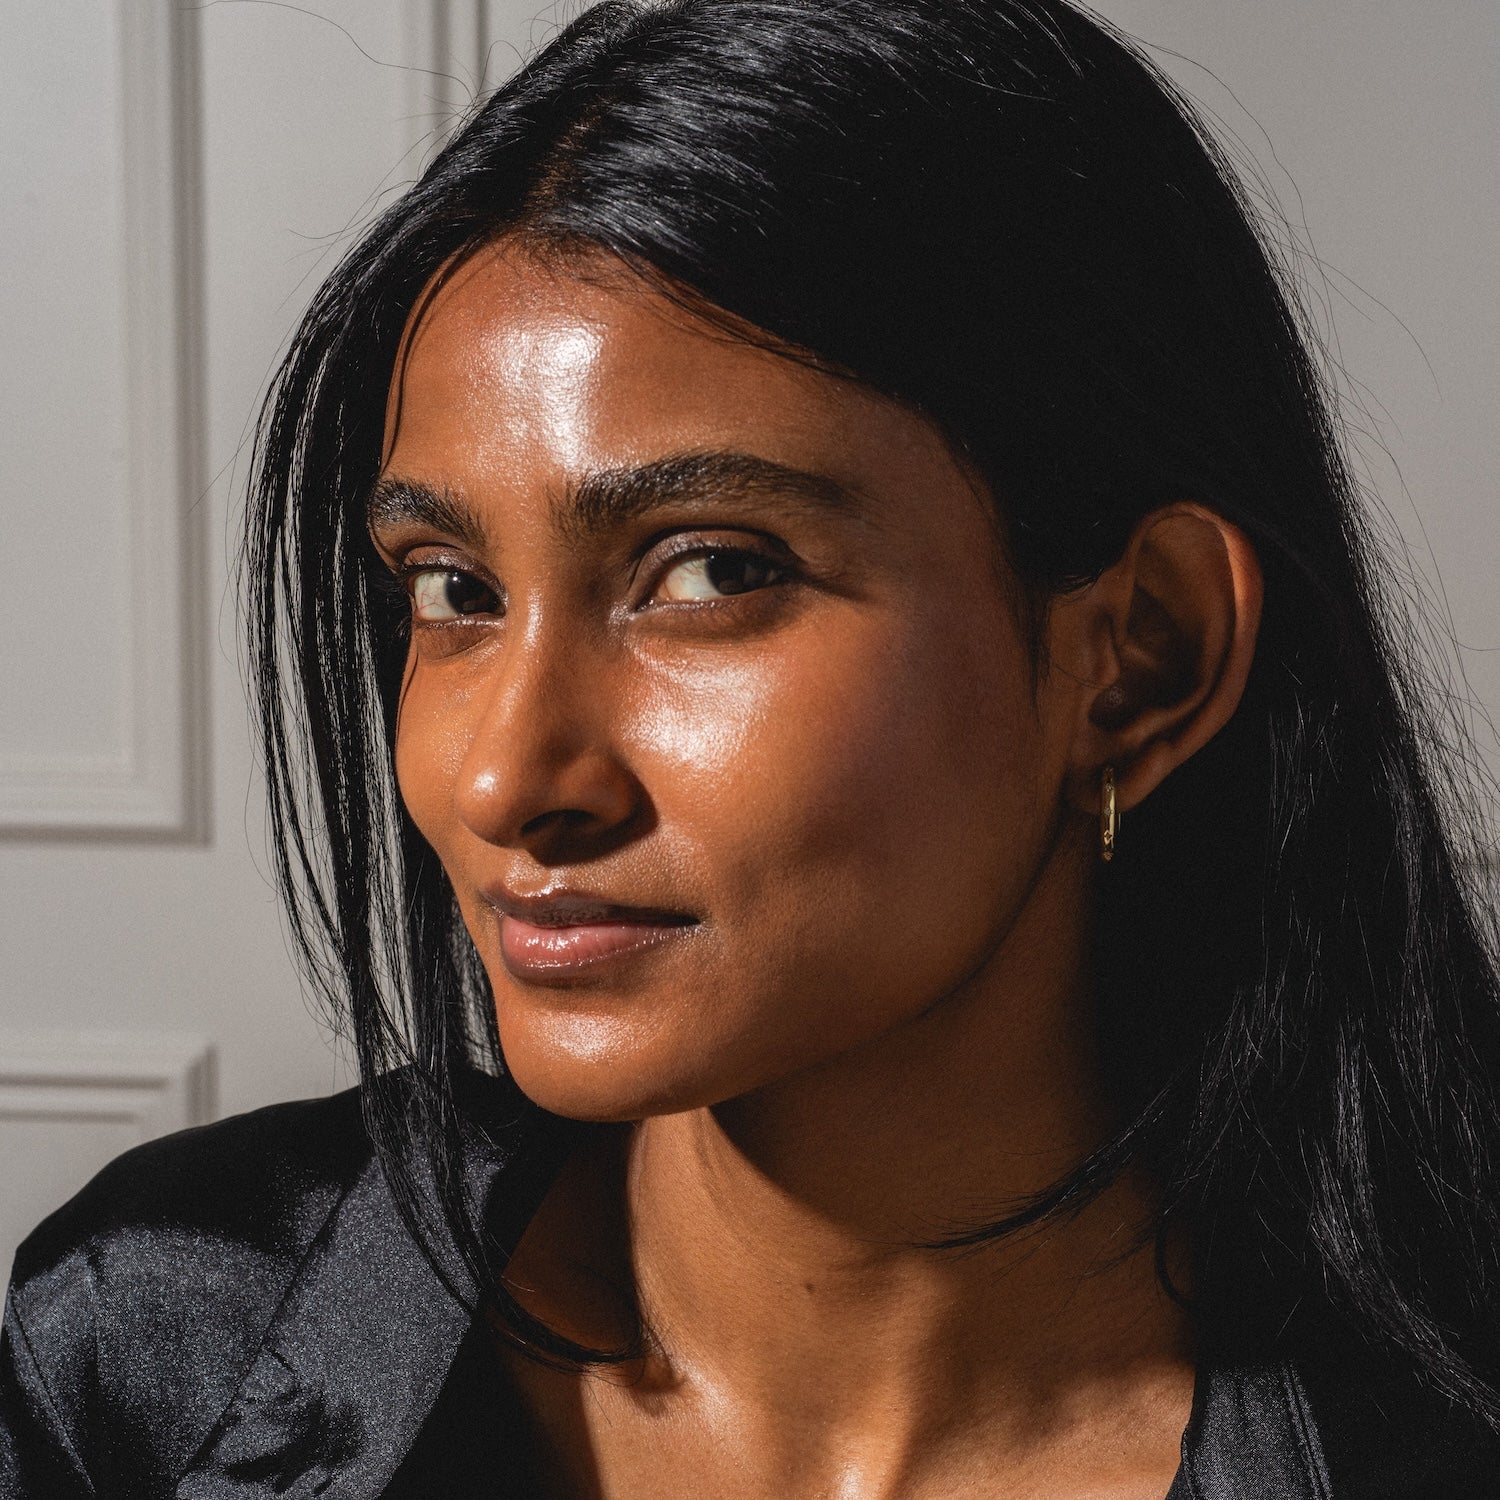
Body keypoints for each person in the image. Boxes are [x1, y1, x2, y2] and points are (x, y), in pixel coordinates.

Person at [4, 0, 1499, 1493]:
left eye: (712, 571)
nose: (503, 779)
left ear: (1140, 656)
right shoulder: (157, 1357)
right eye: (454, 593)